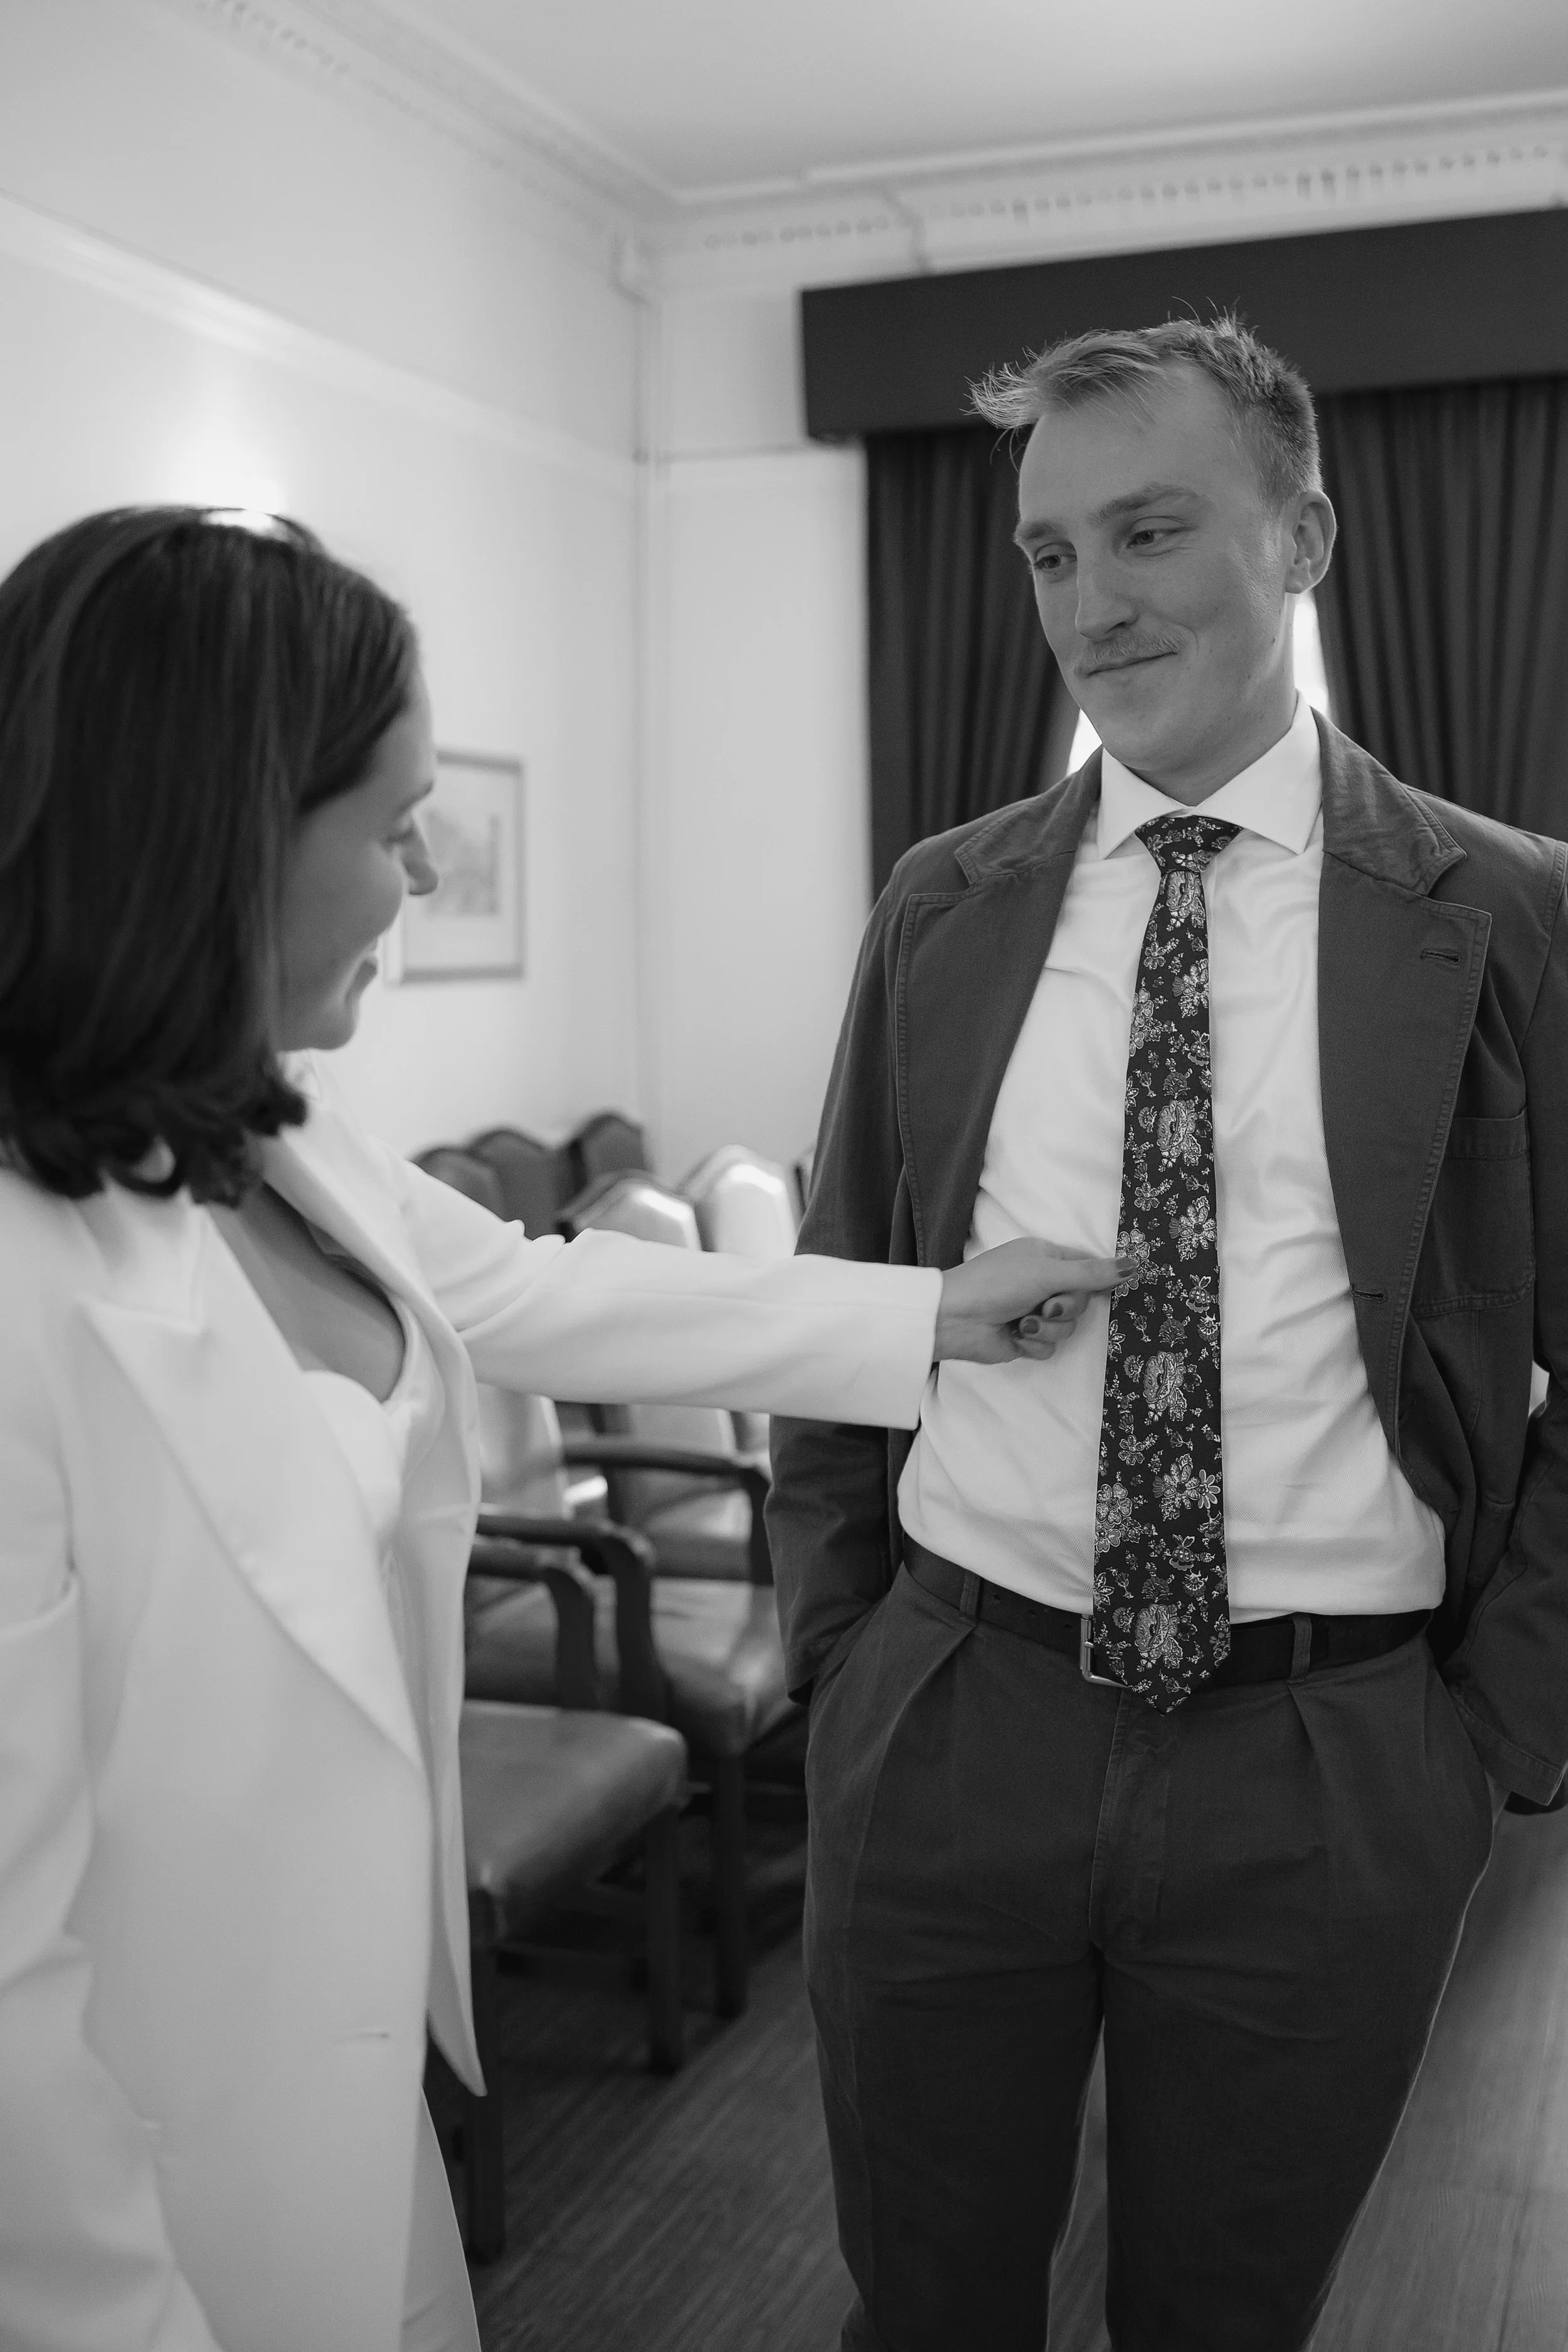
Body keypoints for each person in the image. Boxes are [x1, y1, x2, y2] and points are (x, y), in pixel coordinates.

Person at [0, 507, 1126, 2352]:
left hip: (357, 2107)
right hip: (141, 2182)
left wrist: (934, 1311)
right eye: (389, 822)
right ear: (212, 839)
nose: (428, 869)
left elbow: (526, 1288)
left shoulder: (268, 1126)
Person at [767, 314, 1568, 2352]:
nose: (1090, 604)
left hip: (1327, 1759)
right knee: (923, 2308)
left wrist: (1474, 1739)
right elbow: (836, 1299)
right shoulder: (940, 906)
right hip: (954, 1720)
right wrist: (855, 1667)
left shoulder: (1516, 912)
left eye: (1146, 531)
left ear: (1299, 534)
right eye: (1047, 554)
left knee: (1222, 2318)